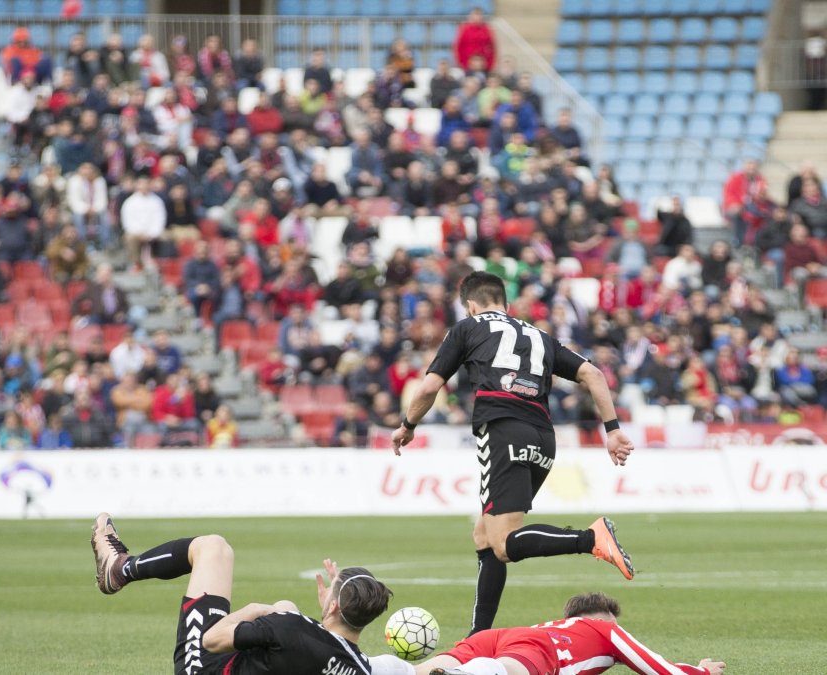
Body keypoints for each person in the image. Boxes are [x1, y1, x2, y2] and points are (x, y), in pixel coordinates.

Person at [390, 272, 636, 637]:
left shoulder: (467, 327)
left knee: (504, 544)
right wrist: (612, 429)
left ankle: (590, 538)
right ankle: (478, 637)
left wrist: (407, 425)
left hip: (503, 428)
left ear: (471, 305)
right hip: (543, 437)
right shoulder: (540, 335)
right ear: (506, 303)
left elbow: (429, 387)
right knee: (485, 536)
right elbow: (594, 374)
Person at [90, 512, 393, 674]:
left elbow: (210, 640)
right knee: (285, 606)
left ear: (335, 606)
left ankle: (119, 569)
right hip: (296, 646)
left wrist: (256, 609)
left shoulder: (290, 627)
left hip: (203, 670)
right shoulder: (361, 666)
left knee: (213, 548)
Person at [383, 592, 725, 675]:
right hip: (536, 650)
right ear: (601, 617)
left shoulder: (555, 623)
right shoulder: (604, 629)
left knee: (423, 669)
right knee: (510, 670)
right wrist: (703, 670)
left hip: (500, 636)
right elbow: (656, 667)